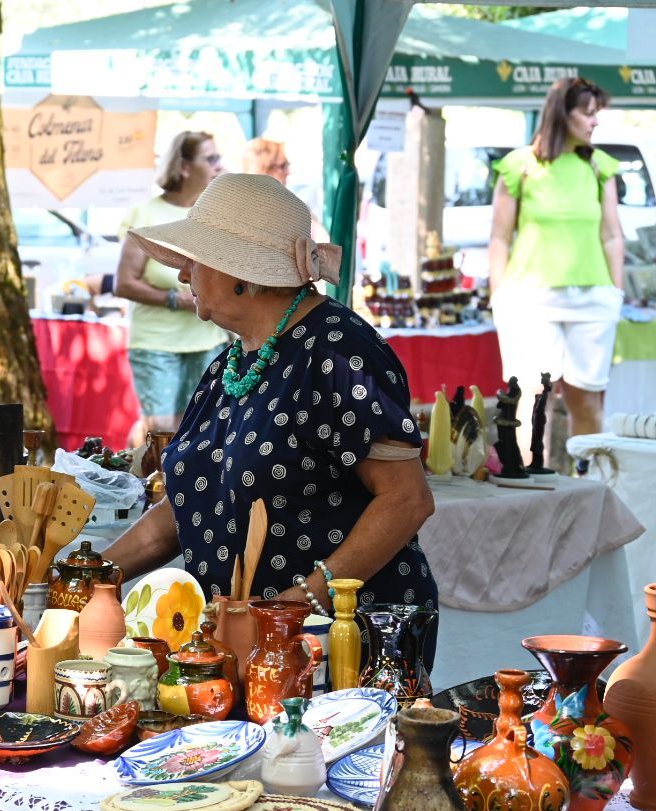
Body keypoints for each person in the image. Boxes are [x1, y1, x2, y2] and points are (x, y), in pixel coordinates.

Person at [102, 173, 438, 644]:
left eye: (195, 260)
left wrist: (290, 609)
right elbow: (189, 507)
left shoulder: (338, 352)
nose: (183, 274)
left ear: (242, 274)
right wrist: (91, 576)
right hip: (246, 643)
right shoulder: (233, 361)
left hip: (339, 643)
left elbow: (406, 500)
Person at [488, 76, 625, 439]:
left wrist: (616, 292)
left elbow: (612, 235)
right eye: (589, 113)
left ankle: (591, 484)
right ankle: (531, 483)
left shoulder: (600, 166)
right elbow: (499, 237)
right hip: (530, 299)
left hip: (594, 299)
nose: (596, 122)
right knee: (532, 397)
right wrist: (497, 294)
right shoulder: (519, 165)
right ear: (562, 114)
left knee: (586, 401)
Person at [115, 131, 230, 439]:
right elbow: (123, 283)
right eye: (211, 158)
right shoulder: (147, 215)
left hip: (209, 340)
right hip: (156, 344)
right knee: (162, 429)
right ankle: (151, 483)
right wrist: (173, 299)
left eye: (219, 157)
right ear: (184, 167)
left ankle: (182, 486)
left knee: (199, 428)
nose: (220, 165)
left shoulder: (217, 217)